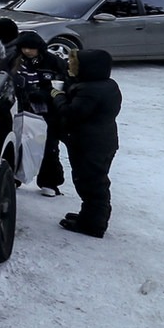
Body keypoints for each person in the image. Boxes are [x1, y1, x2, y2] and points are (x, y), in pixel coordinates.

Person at [53, 48, 121, 238]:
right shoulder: (106, 84)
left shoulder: (90, 90)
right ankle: (89, 216)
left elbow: (71, 113)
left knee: (92, 184)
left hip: (90, 144)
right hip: (102, 141)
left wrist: (57, 96)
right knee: (93, 182)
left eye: (74, 63)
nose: (69, 65)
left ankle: (93, 225)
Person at [10, 31, 69, 194]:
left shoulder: (53, 62)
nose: (28, 51)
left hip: (46, 110)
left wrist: (44, 93)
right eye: (24, 48)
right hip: (19, 108)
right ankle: (14, 176)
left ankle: (50, 182)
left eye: (32, 48)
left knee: (48, 145)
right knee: (18, 144)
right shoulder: (12, 59)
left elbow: (62, 84)